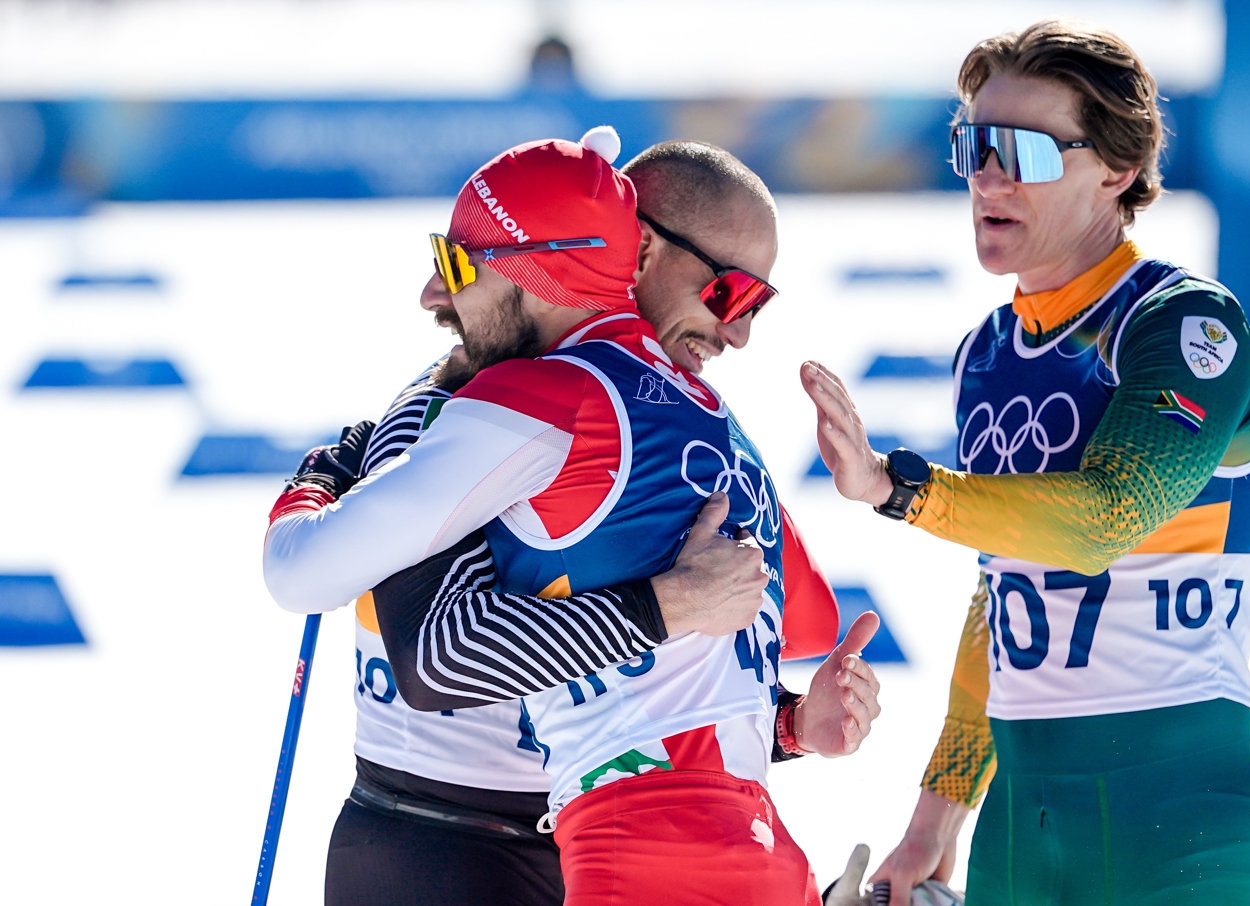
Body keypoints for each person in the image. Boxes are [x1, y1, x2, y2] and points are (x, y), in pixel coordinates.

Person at [266, 132, 880, 906]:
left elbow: (751, 644)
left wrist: (781, 721)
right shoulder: (518, 403)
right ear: (642, 252)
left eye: (753, 303)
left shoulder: (674, 424)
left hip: (581, 835)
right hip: (450, 835)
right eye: (728, 294)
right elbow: (436, 659)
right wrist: (664, 608)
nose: (738, 331)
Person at [802, 20, 1250, 906]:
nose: (987, 174)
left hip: (1187, 829)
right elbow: (1004, 597)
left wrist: (899, 488)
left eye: (1022, 149)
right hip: (1024, 841)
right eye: (974, 145)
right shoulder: (984, 354)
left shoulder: (1183, 325)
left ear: (1116, 168)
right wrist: (934, 822)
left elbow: (1103, 521)